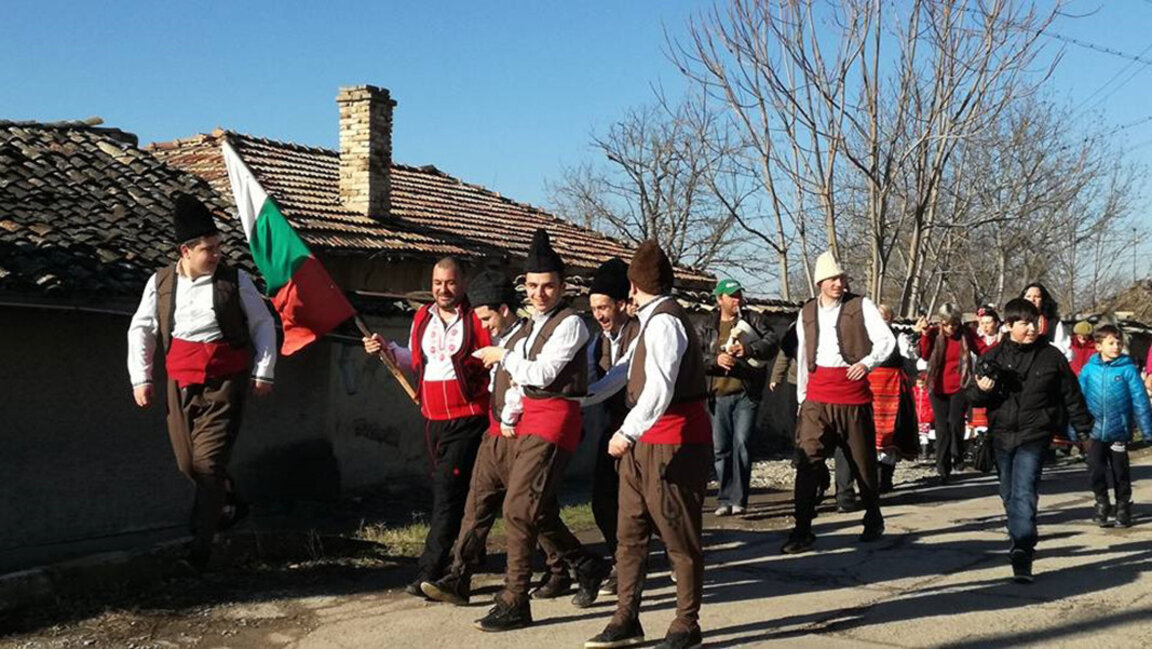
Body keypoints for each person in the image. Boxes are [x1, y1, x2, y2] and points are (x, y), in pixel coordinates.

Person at [468, 229, 610, 632]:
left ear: (562, 287)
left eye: (548, 286)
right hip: (528, 417)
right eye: (532, 286)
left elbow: (544, 375)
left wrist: (503, 354)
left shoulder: (572, 325)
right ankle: (585, 564)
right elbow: (518, 384)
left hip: (556, 418)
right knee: (537, 508)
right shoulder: (531, 327)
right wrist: (510, 416)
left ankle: (515, 598)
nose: (539, 293)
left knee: (517, 509)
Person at [127, 193, 277, 570]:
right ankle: (233, 499)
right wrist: (141, 378)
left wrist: (263, 371)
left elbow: (262, 325)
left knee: (208, 464)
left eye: (218, 247)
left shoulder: (234, 281)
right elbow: (141, 329)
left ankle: (199, 550)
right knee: (187, 464)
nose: (216, 255)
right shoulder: (160, 283)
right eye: (208, 249)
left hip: (225, 382)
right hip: (179, 382)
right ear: (186, 251)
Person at [420, 268, 587, 607]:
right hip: (495, 432)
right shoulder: (503, 340)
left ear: (504, 310)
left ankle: (563, 571)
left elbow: (528, 382)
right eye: (531, 285)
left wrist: (511, 414)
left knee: (528, 512)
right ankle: (459, 576)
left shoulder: (532, 335)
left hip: (523, 432)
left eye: (486, 317)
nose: (483, 326)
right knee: (477, 506)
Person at [584, 240, 712, 649]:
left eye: (631, 288)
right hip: (646, 445)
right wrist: (581, 396)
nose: (630, 297)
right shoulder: (647, 322)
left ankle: (686, 623)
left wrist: (626, 432)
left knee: (679, 536)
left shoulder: (665, 323)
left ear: (637, 287)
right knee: (630, 533)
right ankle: (626, 617)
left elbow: (658, 389)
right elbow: (624, 373)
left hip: (674, 442)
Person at [363, 257, 493, 596]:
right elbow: (416, 360)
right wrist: (387, 350)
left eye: (450, 283)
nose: (443, 290)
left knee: (446, 495)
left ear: (462, 283)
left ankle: (429, 570)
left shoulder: (476, 319)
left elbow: (495, 361)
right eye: (438, 283)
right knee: (454, 493)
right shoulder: (422, 317)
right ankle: (468, 557)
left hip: (469, 417)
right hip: (433, 419)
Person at [969, 298, 1092, 583]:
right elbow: (972, 397)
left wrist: (1084, 433)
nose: (1032, 328)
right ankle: (1019, 533)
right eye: (1024, 323)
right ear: (1009, 325)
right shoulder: (993, 356)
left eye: (1035, 322)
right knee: (1008, 493)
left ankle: (1022, 550)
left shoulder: (1051, 357)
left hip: (1035, 435)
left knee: (1024, 490)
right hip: (1001, 436)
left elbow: (1072, 396)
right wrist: (981, 390)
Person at [781, 251, 894, 555]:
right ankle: (802, 529)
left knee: (862, 463)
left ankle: (873, 517)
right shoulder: (805, 312)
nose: (838, 283)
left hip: (852, 396)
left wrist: (868, 363)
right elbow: (803, 357)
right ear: (820, 282)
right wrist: (802, 398)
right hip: (817, 396)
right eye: (832, 278)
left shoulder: (860, 306)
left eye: (841, 278)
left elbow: (887, 341)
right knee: (807, 461)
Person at [584, 257, 640, 597]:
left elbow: (615, 379)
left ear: (622, 304)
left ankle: (680, 559)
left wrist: (576, 399)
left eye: (604, 307)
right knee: (603, 500)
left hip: (641, 426)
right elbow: (590, 375)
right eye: (594, 308)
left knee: (647, 504)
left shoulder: (640, 333)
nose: (599, 315)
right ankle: (622, 561)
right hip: (611, 425)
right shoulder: (597, 340)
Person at [701, 278, 777, 516]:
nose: (737, 300)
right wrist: (715, 360)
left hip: (746, 392)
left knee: (742, 444)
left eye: (739, 295)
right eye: (732, 296)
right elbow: (695, 356)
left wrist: (749, 350)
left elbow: (772, 342)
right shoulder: (706, 325)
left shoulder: (753, 319)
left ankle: (739, 498)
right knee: (720, 449)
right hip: (718, 395)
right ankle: (724, 498)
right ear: (719, 299)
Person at [1077, 324, 1152, 528]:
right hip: (1094, 430)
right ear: (1098, 346)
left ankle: (1123, 505)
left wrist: (1147, 430)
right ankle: (1102, 502)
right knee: (1095, 469)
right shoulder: (1088, 370)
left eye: (1119, 342)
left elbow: (1140, 400)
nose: (1116, 346)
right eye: (1111, 342)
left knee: (1120, 470)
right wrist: (1076, 429)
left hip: (1119, 429)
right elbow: (1077, 399)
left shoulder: (1128, 369)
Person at [914, 303, 978, 484]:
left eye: (955, 324)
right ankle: (943, 468)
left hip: (960, 384)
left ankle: (958, 454)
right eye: (947, 324)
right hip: (937, 386)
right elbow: (925, 355)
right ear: (941, 323)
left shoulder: (966, 335)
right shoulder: (934, 334)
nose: (951, 328)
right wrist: (925, 334)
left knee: (956, 423)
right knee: (942, 427)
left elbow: (982, 349)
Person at [869, 305, 920, 493]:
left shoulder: (899, 335)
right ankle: (872, 477)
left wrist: (914, 341)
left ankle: (886, 479)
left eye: (884, 317)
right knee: (870, 431)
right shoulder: (865, 335)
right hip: (871, 387)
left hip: (892, 387)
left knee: (892, 431)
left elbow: (910, 355)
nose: (881, 321)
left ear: (890, 319)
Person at [1021, 283, 1071, 359]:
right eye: (1028, 296)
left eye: (1037, 297)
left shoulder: (1053, 323)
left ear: (1043, 300)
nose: (1032, 300)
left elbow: (1064, 349)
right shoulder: (1014, 321)